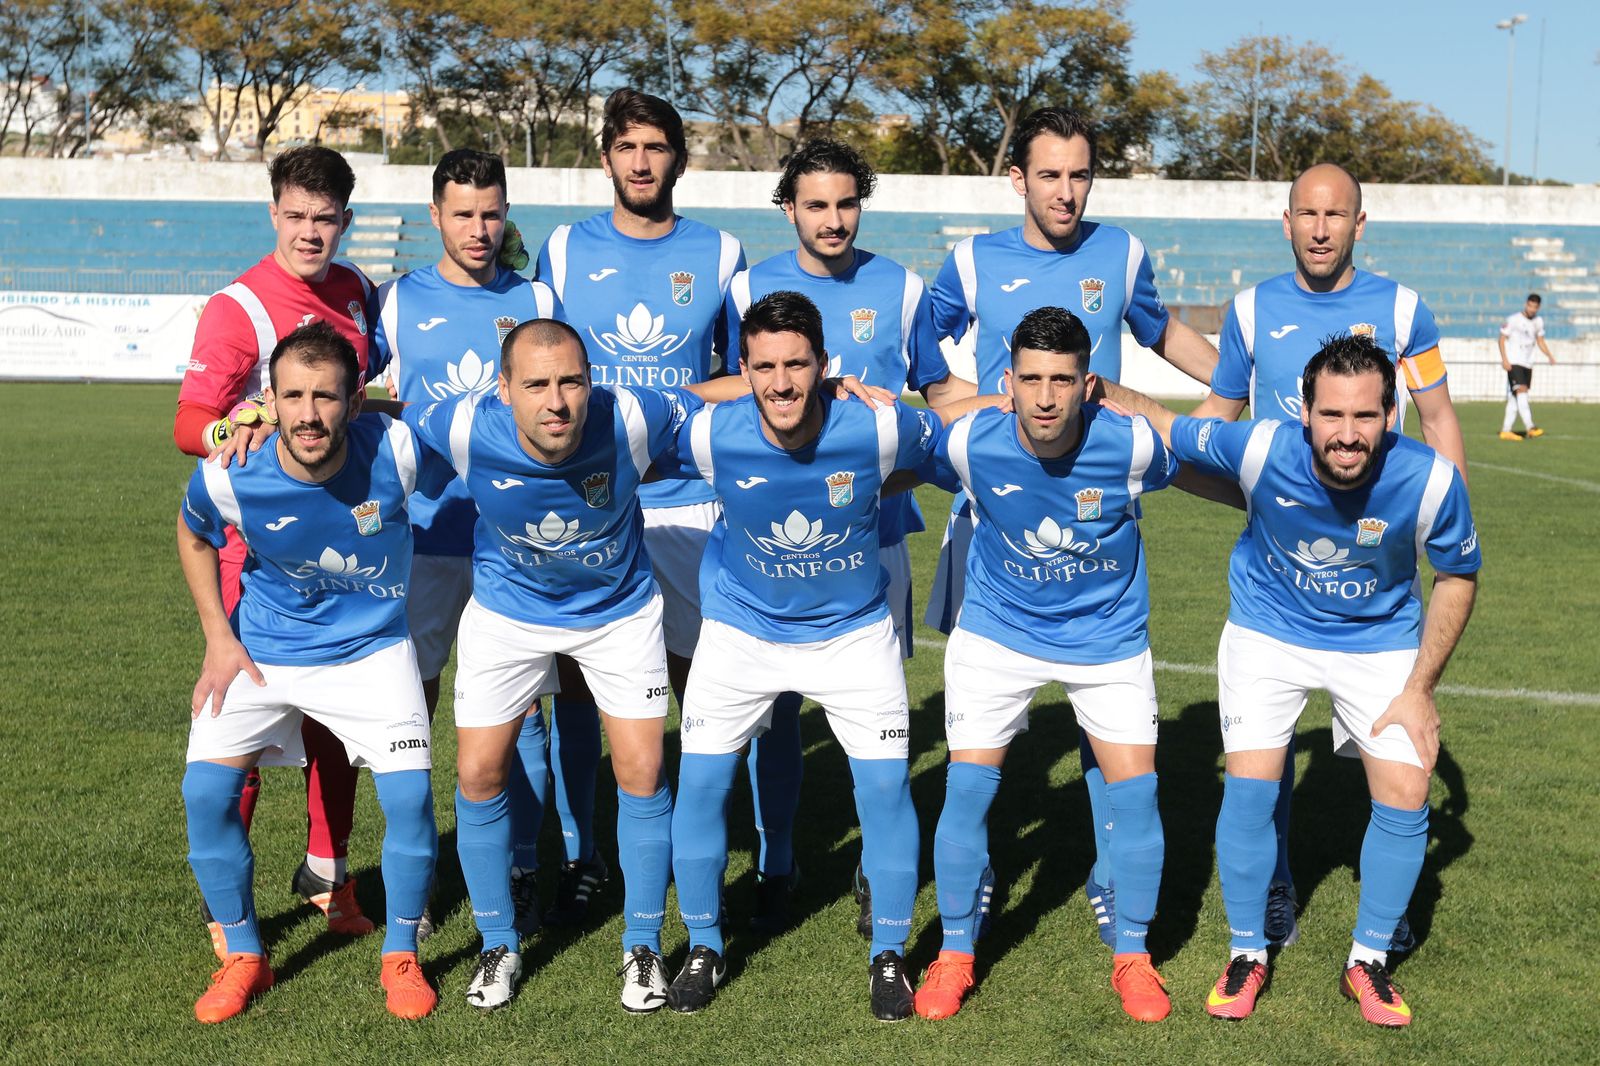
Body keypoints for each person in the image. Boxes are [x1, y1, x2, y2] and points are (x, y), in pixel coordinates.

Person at [1100, 162, 1469, 952]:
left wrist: (1443, 510)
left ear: (1359, 225)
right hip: (1279, 522)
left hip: (1373, 542)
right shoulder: (1252, 309)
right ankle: (1270, 889)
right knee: (1263, 754)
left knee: (1387, 754)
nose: (1322, 227)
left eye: (1337, 215)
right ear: (1287, 219)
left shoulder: (1405, 309)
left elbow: (1437, 420)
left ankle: (1387, 899)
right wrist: (1143, 463)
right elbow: (1216, 414)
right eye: (1308, 212)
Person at [1120, 333, 1480, 1026]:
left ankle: (1368, 961)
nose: (1348, 435)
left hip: (1377, 644)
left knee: (1406, 792)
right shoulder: (1260, 446)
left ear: (1389, 416)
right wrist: (1098, 392)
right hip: (1268, 635)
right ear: (1304, 414)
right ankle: (1247, 951)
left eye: (1366, 417)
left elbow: (1458, 577)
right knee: (1251, 790)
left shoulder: (1430, 479)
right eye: (1333, 416)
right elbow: (1165, 424)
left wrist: (1420, 688)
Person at [925, 104, 1217, 949]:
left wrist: (1241, 382)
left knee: (1104, 706)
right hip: (994, 509)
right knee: (978, 709)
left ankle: (1107, 869)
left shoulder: (1120, 253)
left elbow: (1162, 332)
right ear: (1017, 178)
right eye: (1048, 174)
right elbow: (920, 350)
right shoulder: (973, 262)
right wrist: (969, 404)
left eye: (1079, 174)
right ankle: (970, 873)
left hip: (1095, 503)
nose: (1065, 191)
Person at [651, 291, 988, 1020]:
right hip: (740, 635)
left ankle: (889, 955)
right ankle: (705, 944)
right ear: (742, 370)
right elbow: (621, 423)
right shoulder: (711, 433)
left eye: (798, 365)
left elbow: (972, 435)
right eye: (764, 367)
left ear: (825, 364)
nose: (781, 383)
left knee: (886, 792)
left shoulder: (876, 424)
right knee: (703, 786)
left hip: (854, 637)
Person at [401, 319, 753, 1012]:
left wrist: (812, 386)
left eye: (571, 381)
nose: (556, 400)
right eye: (535, 384)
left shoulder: (630, 415)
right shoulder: (465, 424)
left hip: (617, 612)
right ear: (503, 390)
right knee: (476, 772)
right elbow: (371, 428)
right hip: (507, 613)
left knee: (643, 769)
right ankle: (498, 942)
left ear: (593, 381)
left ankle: (643, 946)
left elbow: (714, 399)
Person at [717, 138, 975, 931]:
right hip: (768, 535)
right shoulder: (749, 286)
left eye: (847, 202)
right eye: (816, 204)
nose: (834, 219)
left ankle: (873, 869)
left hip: (877, 530)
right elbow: (732, 388)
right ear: (788, 207)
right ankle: (777, 856)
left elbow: (937, 392)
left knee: (874, 713)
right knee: (774, 714)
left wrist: (1012, 404)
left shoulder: (900, 287)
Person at [903, 306, 1179, 1023]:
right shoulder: (969, 440)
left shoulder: (1134, 445)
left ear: (1090, 384)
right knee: (966, 791)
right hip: (997, 633)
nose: (1047, 397)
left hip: (1107, 639)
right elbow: (895, 449)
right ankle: (956, 953)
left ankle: (1135, 956)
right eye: (1032, 379)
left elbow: (1212, 464)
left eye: (1063, 379)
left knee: (1139, 799)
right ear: (1009, 382)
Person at [176, 322, 448, 1022]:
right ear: (267, 399)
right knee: (206, 793)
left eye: (326, 397)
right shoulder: (233, 469)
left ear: (355, 400)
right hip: (264, 649)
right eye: (291, 396)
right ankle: (244, 957)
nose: (307, 414)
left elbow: (481, 440)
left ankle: (401, 958)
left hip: (372, 650)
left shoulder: (398, 448)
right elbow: (193, 530)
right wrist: (217, 637)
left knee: (412, 801)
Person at [533, 88, 745, 927]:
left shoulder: (723, 253)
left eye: (656, 147)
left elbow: (748, 371)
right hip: (592, 503)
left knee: (700, 687)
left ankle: (687, 844)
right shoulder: (561, 250)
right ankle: (589, 858)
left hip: (690, 503)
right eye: (626, 147)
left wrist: (668, 408)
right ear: (607, 157)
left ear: (678, 157)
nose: (642, 162)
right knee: (584, 687)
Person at [173, 145, 381, 953]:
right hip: (250, 553)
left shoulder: (359, 292)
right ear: (274, 214)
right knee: (241, 720)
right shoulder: (239, 308)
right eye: (295, 216)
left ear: (345, 221)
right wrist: (241, 424)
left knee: (337, 719)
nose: (309, 232)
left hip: (345, 540)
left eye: (324, 219)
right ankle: (230, 904)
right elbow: (190, 423)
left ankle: (329, 876)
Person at [371, 149, 560, 935]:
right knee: (410, 707)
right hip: (422, 539)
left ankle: (523, 863)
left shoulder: (540, 297)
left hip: (517, 544)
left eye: (492, 213)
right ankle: (415, 880)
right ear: (434, 217)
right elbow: (352, 400)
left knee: (529, 713)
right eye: (463, 214)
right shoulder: (391, 303)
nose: (480, 229)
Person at [1498, 292, 1557, 440]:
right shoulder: (1513, 320)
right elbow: (1502, 339)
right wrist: (1505, 359)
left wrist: (1549, 355)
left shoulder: (1538, 321)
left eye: (1535, 307)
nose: (1532, 309)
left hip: (1527, 363)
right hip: (1514, 362)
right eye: (1530, 305)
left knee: (1515, 397)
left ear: (1538, 307)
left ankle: (1506, 430)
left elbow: (1540, 341)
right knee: (1522, 392)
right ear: (1526, 304)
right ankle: (1530, 427)